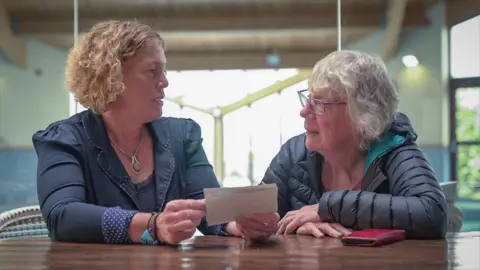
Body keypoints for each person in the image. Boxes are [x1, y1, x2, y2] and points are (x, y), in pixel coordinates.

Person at [33, 20, 251, 245]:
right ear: (110, 78)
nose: (164, 82)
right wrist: (154, 225)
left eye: (163, 70)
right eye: (152, 71)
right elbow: (63, 216)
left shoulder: (183, 134)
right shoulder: (64, 139)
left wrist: (238, 224)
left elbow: (209, 207)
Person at [259, 50, 447, 239]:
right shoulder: (294, 151)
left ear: (362, 114)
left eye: (319, 103)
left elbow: (432, 214)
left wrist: (329, 208)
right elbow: (252, 216)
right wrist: (291, 229)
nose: (304, 111)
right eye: (309, 99)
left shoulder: (394, 148)